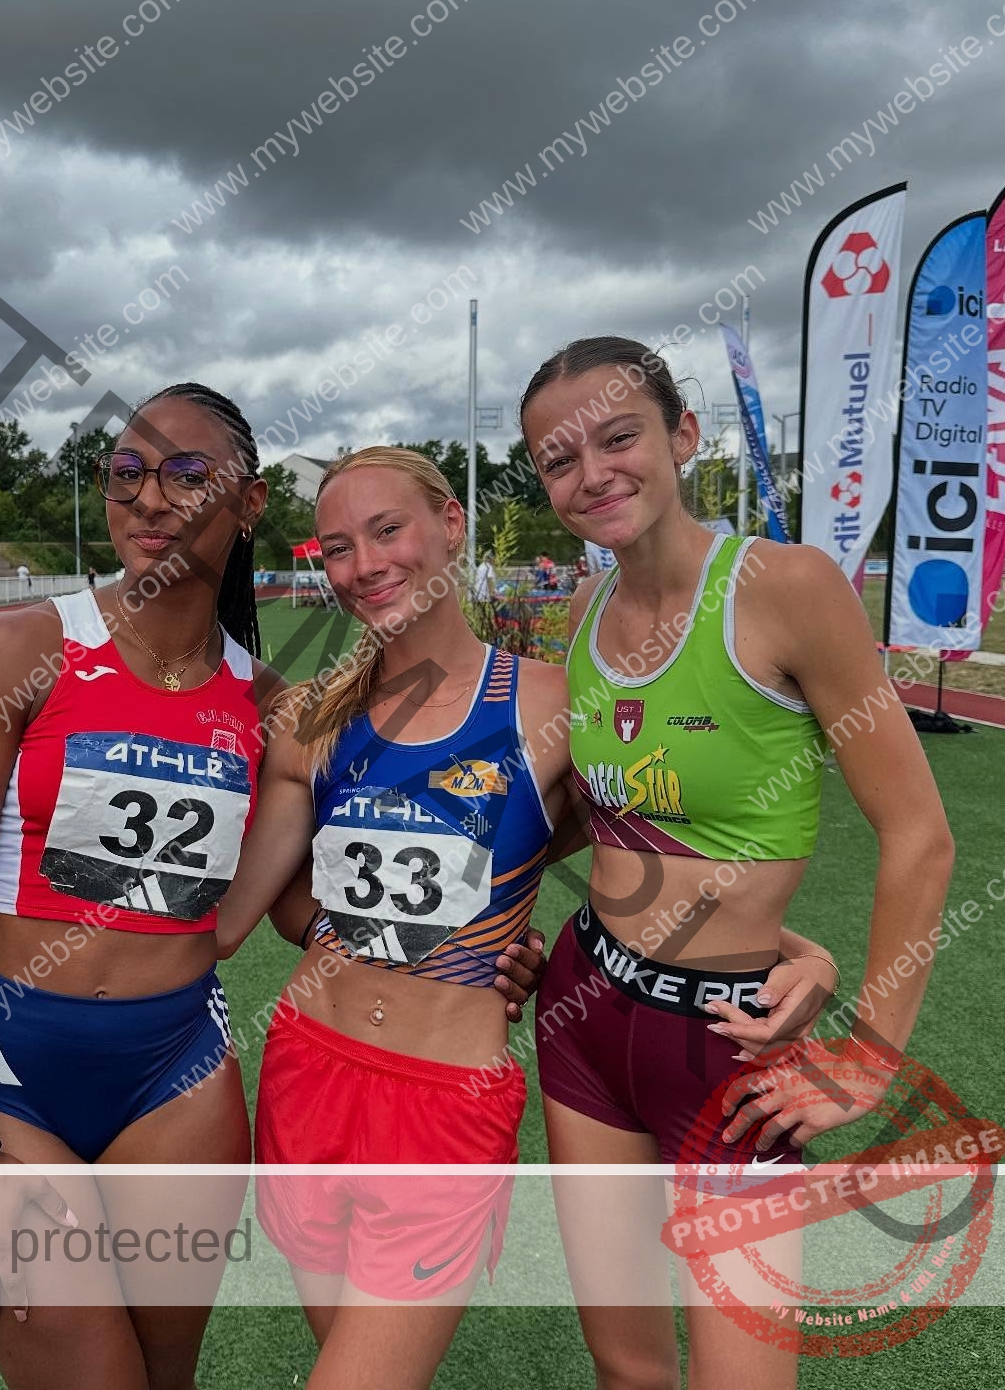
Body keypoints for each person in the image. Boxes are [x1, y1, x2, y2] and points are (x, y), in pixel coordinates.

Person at [213, 447, 833, 1389]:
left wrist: (800, 953)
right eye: (337, 547)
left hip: (445, 1103)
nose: (363, 565)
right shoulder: (313, 720)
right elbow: (255, 912)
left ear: (450, 526)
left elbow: (650, 866)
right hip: (305, 1072)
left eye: (388, 531)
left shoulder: (553, 706)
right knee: (339, 1355)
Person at [519, 337, 954, 1387]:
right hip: (586, 1017)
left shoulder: (786, 588)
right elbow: (612, 827)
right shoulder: (580, 617)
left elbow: (921, 835)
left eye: (619, 437)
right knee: (626, 1367)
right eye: (558, 460)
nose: (592, 475)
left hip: (730, 1044)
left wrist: (871, 1053)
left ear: (682, 436)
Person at [0, 383, 281, 1388]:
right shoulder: (21, 651)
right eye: (126, 474)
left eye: (188, 475)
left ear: (250, 502)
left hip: (179, 1077)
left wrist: (495, 937)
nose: (151, 498)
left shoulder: (269, 704)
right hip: (15, 1076)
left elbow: (313, 899)